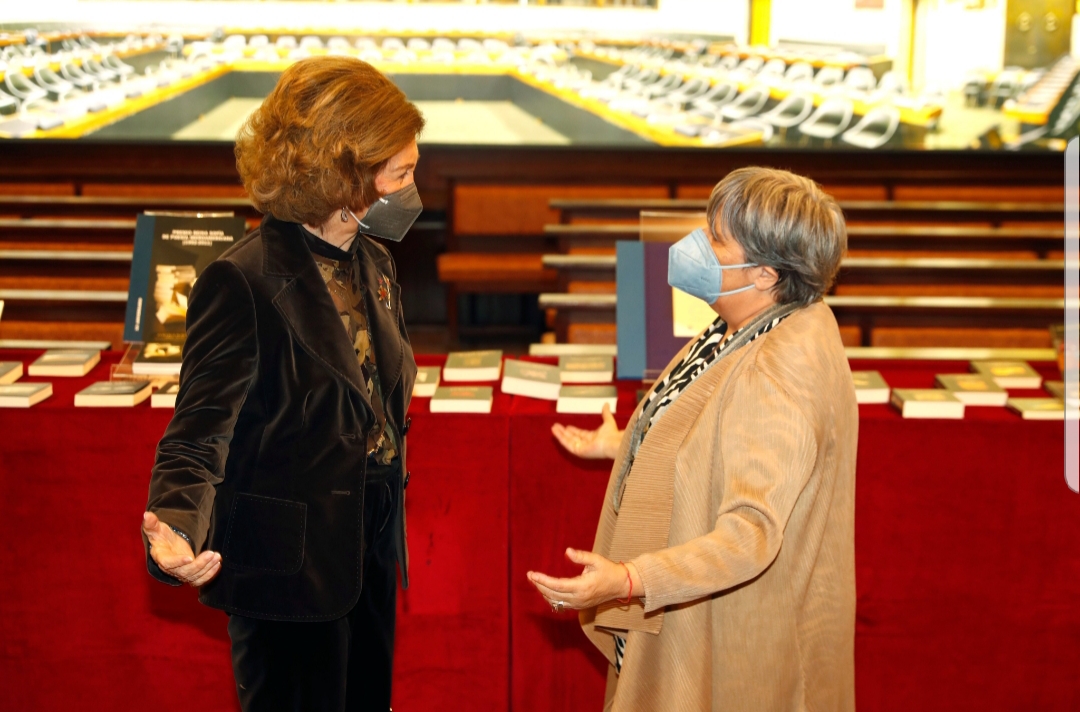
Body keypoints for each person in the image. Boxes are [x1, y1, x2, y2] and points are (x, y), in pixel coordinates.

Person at [139, 56, 424, 712]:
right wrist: (176, 525)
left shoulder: (377, 262)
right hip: (287, 571)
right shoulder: (241, 281)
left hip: (369, 549)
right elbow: (198, 433)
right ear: (344, 173)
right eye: (403, 173)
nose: (415, 189)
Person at [528, 167, 857, 711]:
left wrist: (630, 580)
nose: (696, 245)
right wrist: (630, 442)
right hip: (703, 608)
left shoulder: (780, 366)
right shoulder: (751, 319)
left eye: (716, 239)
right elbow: (718, 430)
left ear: (765, 273)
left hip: (735, 632)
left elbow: (752, 532)